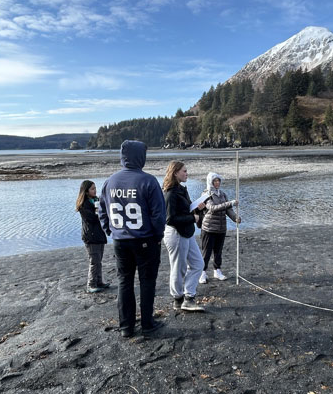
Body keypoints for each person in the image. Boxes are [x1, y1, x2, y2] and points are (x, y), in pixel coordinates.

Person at [99, 140, 166, 338]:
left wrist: (110, 231)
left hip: (121, 240)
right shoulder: (148, 181)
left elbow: (102, 211)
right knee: (147, 282)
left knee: (124, 282)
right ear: (140, 157)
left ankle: (126, 327)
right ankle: (147, 323)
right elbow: (158, 215)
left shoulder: (109, 182)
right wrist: (157, 236)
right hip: (145, 240)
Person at [163, 160, 205, 311]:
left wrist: (198, 208)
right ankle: (178, 299)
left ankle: (188, 297)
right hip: (176, 234)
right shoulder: (170, 192)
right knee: (178, 268)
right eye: (184, 171)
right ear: (175, 173)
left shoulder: (182, 189)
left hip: (187, 232)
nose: (187, 173)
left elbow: (186, 208)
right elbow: (169, 219)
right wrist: (192, 218)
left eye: (187, 171)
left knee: (198, 264)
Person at [198, 172, 239, 284]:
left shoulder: (223, 194)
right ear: (210, 182)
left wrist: (235, 218)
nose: (217, 183)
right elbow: (212, 208)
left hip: (221, 228)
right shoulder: (206, 194)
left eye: (218, 180)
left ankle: (217, 271)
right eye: (215, 181)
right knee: (206, 252)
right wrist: (230, 203)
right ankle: (202, 273)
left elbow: (228, 210)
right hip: (209, 228)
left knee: (218, 251)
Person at [76, 180, 109, 293]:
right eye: (92, 189)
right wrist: (99, 212)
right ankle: (91, 284)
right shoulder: (83, 204)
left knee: (99, 260)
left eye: (95, 188)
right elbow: (91, 218)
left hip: (99, 234)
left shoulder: (97, 200)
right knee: (94, 260)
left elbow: (103, 215)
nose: (95, 190)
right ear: (86, 191)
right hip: (90, 236)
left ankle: (99, 281)